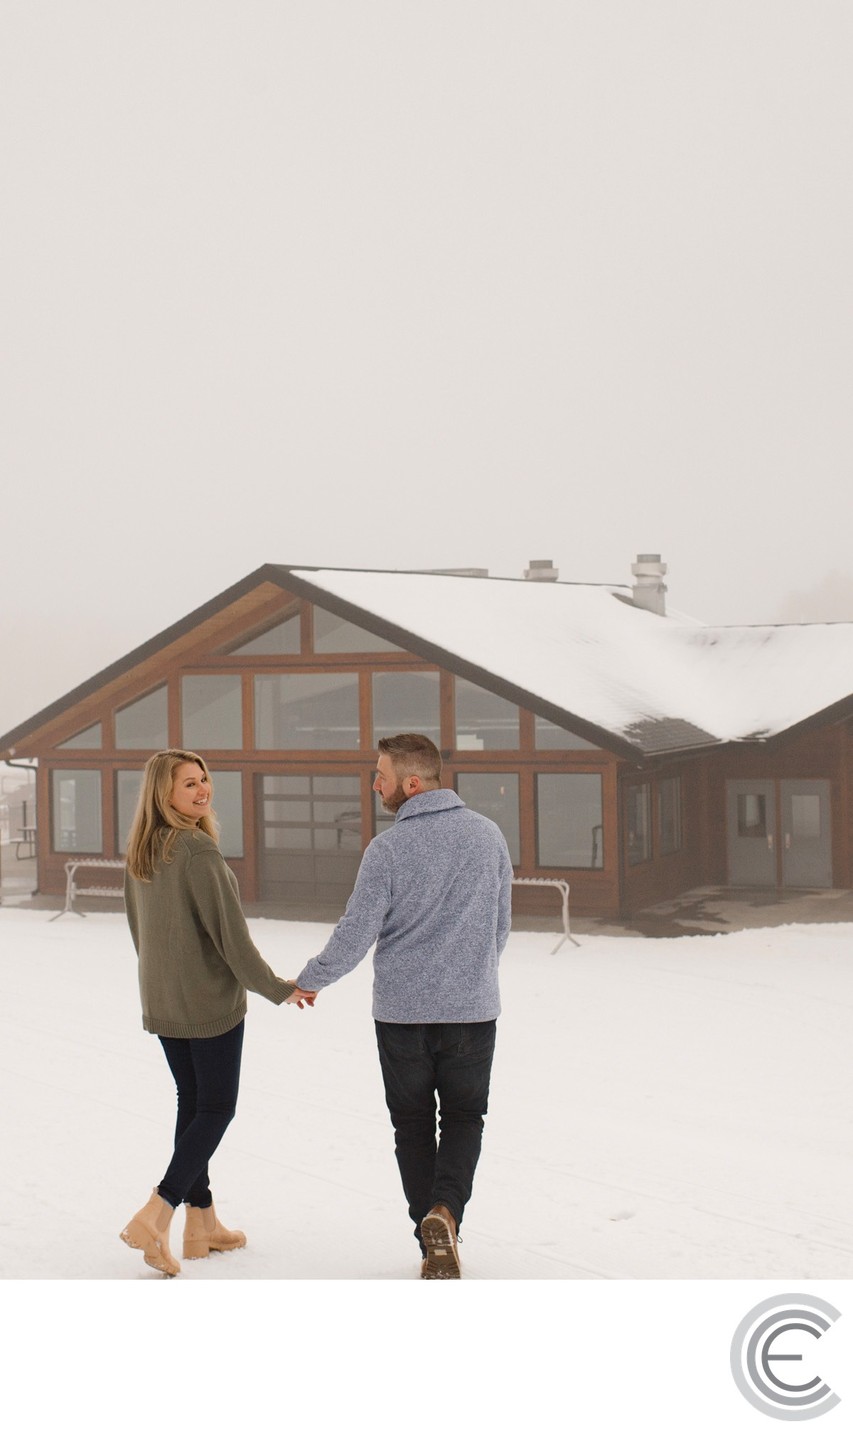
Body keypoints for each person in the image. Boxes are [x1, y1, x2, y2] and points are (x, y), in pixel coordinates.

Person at [291, 732, 513, 1279]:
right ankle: (447, 1213)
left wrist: (311, 979)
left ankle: (429, 1234)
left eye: (381, 776)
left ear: (411, 784)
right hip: (471, 1010)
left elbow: (356, 932)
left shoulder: (387, 850)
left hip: (402, 1017)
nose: (375, 785)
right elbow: (500, 925)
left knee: (412, 1126)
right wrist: (471, 973)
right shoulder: (488, 837)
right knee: (464, 1117)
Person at [121, 748, 309, 1277]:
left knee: (194, 1103)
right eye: (188, 784)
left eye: (204, 780)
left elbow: (140, 931)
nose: (202, 790)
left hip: (162, 1000)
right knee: (217, 1108)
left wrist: (163, 982)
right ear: (165, 793)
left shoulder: (143, 849)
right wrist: (280, 988)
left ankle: (203, 1224)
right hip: (207, 1004)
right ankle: (158, 1210)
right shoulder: (197, 851)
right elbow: (233, 941)